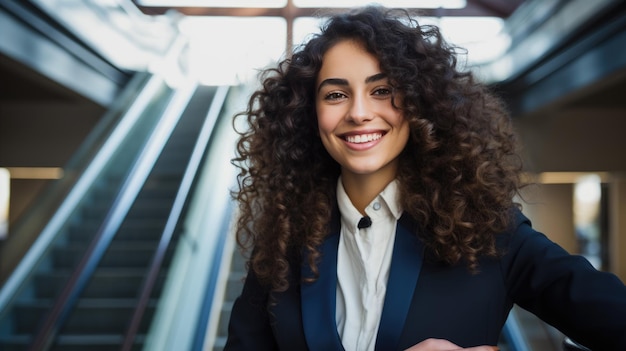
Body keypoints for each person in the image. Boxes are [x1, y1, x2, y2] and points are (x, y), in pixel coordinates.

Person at [225, 5, 626, 351]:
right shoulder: (282, 241)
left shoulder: (490, 233)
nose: (359, 112)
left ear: (420, 105)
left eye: (382, 90)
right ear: (308, 115)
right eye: (335, 94)